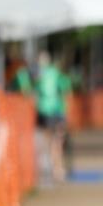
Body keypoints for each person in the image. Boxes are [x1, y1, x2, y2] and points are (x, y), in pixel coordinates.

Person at [34, 51, 67, 183]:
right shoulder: (55, 73)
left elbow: (33, 90)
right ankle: (56, 169)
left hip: (46, 112)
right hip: (55, 112)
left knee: (49, 141)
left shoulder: (39, 75)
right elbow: (64, 89)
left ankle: (52, 167)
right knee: (56, 141)